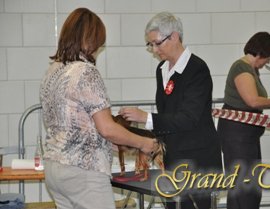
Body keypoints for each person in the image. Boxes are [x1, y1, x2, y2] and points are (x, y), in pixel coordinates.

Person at [39, 8, 157, 209]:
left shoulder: (53, 71)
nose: (98, 48)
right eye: (98, 42)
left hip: (54, 169)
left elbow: (75, 126)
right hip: (83, 173)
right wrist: (143, 142)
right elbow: (107, 128)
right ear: (89, 40)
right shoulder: (86, 72)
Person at [118, 12, 222, 209]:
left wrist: (146, 117)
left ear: (174, 36)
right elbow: (166, 114)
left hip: (198, 159)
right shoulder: (162, 69)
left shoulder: (197, 69)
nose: (154, 50)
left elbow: (188, 119)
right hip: (172, 157)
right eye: (151, 45)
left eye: (157, 43)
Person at [217, 31, 270, 209]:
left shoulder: (251, 70)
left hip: (245, 136)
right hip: (237, 136)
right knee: (243, 186)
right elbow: (252, 100)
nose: (268, 61)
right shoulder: (240, 68)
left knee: (249, 186)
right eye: (269, 57)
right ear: (260, 53)